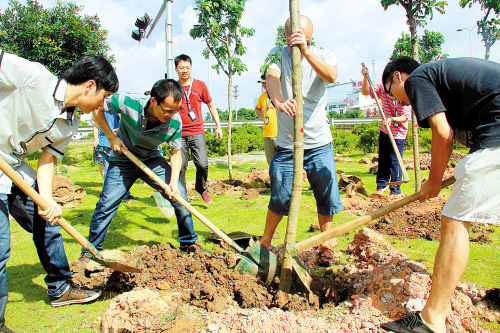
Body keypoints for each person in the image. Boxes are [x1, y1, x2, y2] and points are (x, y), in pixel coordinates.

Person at [379, 56, 500, 333]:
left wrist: (433, 182)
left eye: (390, 92)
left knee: (455, 221)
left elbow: (443, 134)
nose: (398, 102)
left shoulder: (419, 79)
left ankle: (432, 321)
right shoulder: (444, 77)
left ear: (399, 77)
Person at [0, 50, 119, 331]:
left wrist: (48, 200)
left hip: (12, 167)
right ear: (90, 85)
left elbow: (46, 160)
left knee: (48, 222)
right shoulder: (34, 77)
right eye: (104, 96)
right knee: (0, 248)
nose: (103, 103)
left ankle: (60, 289)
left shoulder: (70, 123)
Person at [83, 79, 206, 260]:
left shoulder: (175, 122)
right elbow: (96, 107)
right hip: (123, 158)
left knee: (180, 196)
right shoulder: (127, 101)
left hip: (151, 159)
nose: (171, 115)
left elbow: (176, 153)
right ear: (154, 101)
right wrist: (111, 137)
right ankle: (90, 251)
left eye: (175, 111)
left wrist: (172, 183)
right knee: (106, 204)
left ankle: (188, 243)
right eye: (167, 111)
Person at [259, 16, 343, 267]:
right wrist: (277, 101)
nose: (296, 45)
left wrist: (306, 52)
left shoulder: (324, 54)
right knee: (280, 192)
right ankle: (265, 242)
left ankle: (326, 243)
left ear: (310, 36)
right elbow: (271, 76)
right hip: (287, 142)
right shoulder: (277, 53)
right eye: (292, 41)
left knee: (326, 190)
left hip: (319, 142)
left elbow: (331, 76)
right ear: (285, 37)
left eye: (303, 40)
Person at [174, 54, 223, 204]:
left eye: (187, 67)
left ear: (191, 68)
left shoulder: (200, 85)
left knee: (202, 163)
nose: (184, 70)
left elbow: (211, 105)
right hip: (178, 133)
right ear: (176, 69)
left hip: (197, 131)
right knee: (180, 166)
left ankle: (202, 189)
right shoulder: (173, 87)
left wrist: (218, 126)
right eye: (181, 67)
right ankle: (182, 195)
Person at [361, 66, 412, 196]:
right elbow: (367, 92)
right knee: (383, 159)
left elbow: (405, 117)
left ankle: (395, 190)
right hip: (385, 130)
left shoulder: (403, 92)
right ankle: (381, 186)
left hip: (398, 133)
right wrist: (365, 78)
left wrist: (392, 118)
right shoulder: (382, 87)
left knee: (395, 161)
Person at [92, 114, 138, 201]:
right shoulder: (114, 106)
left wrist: (104, 130)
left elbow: (93, 120)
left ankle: (109, 195)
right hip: (114, 143)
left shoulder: (100, 108)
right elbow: (124, 118)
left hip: (102, 142)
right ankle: (124, 195)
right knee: (121, 170)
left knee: (107, 171)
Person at [254, 77, 278, 165]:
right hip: (267, 134)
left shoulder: (279, 95)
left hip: (279, 134)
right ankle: (273, 178)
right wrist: (264, 118)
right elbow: (257, 109)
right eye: (262, 83)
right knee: (271, 163)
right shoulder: (263, 96)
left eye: (265, 82)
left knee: (282, 161)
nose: (264, 85)